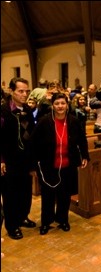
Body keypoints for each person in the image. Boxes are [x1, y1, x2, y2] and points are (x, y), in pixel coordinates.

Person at [30, 92, 89, 235]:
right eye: (57, 104)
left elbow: (82, 139)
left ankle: (63, 220)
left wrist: (85, 155)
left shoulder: (73, 121)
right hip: (48, 165)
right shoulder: (44, 121)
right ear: (52, 105)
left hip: (67, 165)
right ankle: (46, 222)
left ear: (67, 105)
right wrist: (33, 164)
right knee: (48, 196)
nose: (60, 106)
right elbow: (33, 143)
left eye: (63, 103)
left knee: (65, 195)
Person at [1, 77, 37, 240]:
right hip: (9, 160)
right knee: (10, 194)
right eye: (20, 91)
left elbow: (31, 135)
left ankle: (22, 217)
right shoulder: (4, 111)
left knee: (25, 191)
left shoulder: (28, 110)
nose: (24, 94)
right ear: (11, 91)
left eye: (26, 91)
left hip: (25, 159)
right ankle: (12, 225)